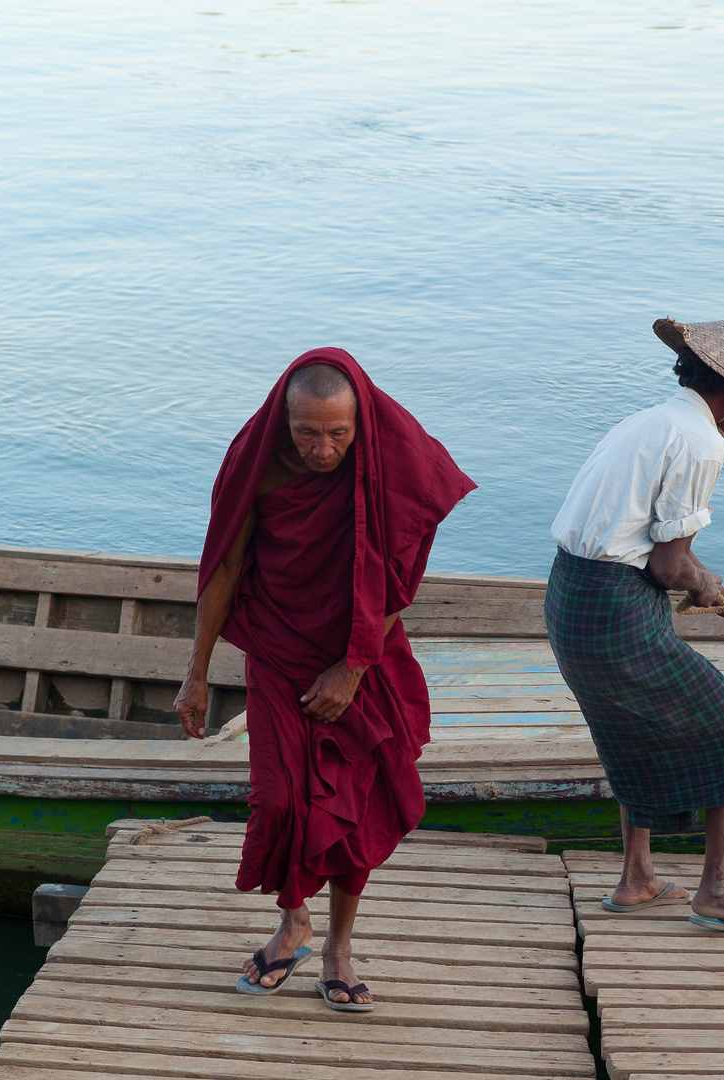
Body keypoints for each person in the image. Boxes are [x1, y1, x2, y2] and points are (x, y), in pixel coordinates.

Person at [175, 348, 475, 1008]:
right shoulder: (255, 460)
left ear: (359, 420)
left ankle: (338, 947)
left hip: (362, 650)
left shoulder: (390, 454)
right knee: (279, 800)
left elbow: (399, 578)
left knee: (356, 802)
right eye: (307, 433)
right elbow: (223, 568)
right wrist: (195, 673)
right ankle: (294, 921)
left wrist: (357, 665)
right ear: (283, 421)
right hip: (281, 649)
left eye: (338, 433)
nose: (323, 449)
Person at [545, 317, 724, 933]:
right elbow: (669, 563)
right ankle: (717, 890)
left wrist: (721, 595)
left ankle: (637, 879)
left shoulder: (647, 420)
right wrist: (712, 588)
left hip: (570, 598)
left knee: (630, 730)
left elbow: (653, 555)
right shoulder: (704, 440)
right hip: (615, 609)